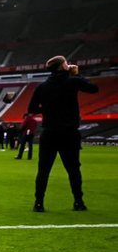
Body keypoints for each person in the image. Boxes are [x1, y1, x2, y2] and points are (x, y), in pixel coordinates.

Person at [28, 55, 99, 212]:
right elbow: (94, 89)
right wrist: (76, 74)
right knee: (74, 169)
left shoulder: (42, 87)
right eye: (66, 63)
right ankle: (78, 202)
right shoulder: (73, 81)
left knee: (44, 170)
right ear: (62, 66)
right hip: (69, 133)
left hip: (49, 133)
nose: (69, 65)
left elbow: (32, 109)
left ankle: (38, 203)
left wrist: (46, 109)